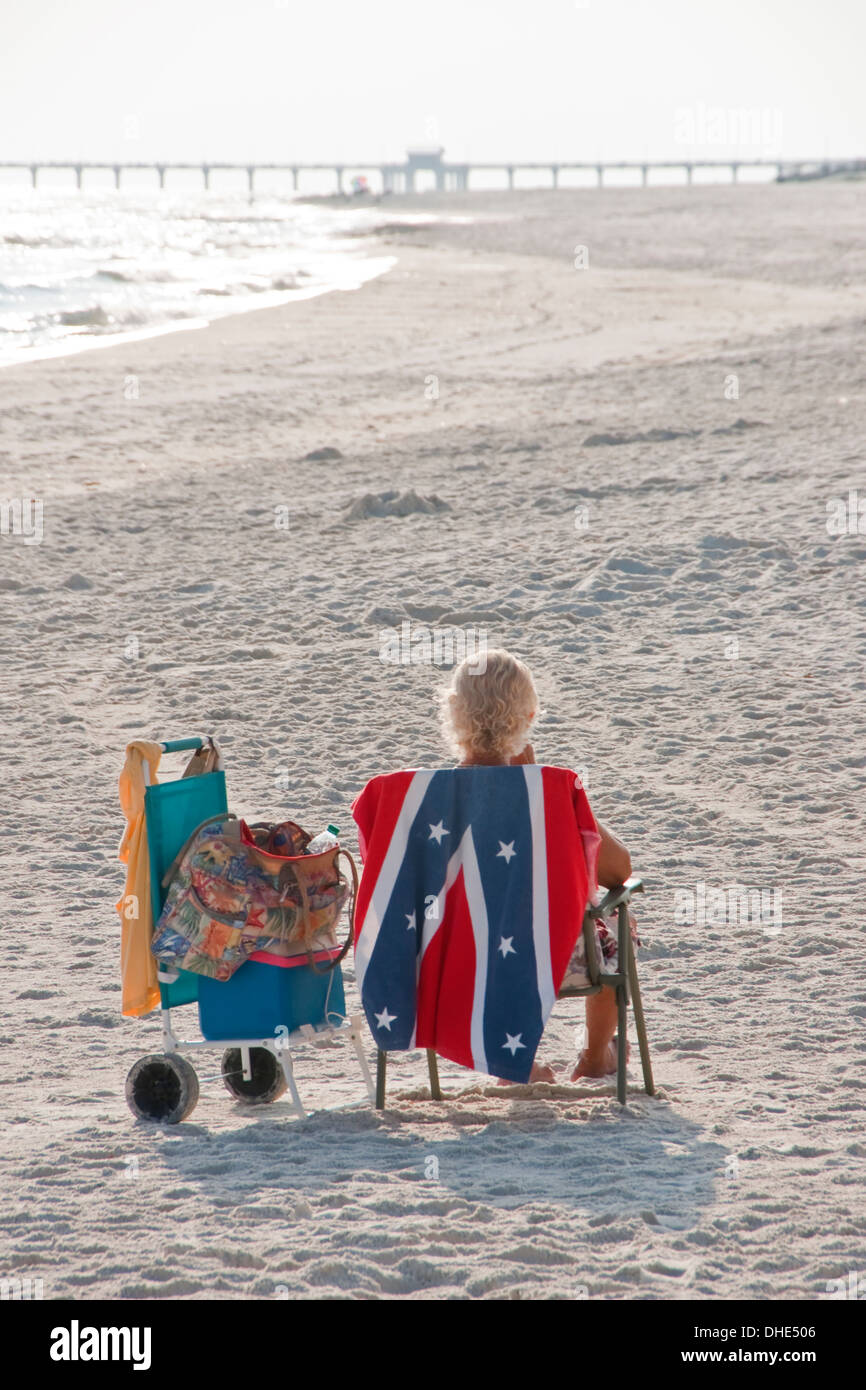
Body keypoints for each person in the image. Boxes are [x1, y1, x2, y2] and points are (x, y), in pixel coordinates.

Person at [438, 648, 636, 1083]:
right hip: (554, 955)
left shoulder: (430, 798)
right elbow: (617, 870)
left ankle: (517, 1065)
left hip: (458, 957)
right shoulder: (550, 791)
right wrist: (544, 791)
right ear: (528, 716)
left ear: (454, 712)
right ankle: (597, 1054)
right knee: (616, 923)